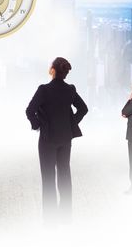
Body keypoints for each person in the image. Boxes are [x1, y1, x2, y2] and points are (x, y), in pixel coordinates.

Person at [26, 57, 88, 225]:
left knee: (48, 178)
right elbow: (83, 109)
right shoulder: (70, 89)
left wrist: (38, 125)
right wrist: (71, 124)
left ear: (53, 70)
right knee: (64, 175)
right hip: (65, 139)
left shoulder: (44, 90)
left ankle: (50, 220)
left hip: (47, 139)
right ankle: (66, 217)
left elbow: (30, 110)